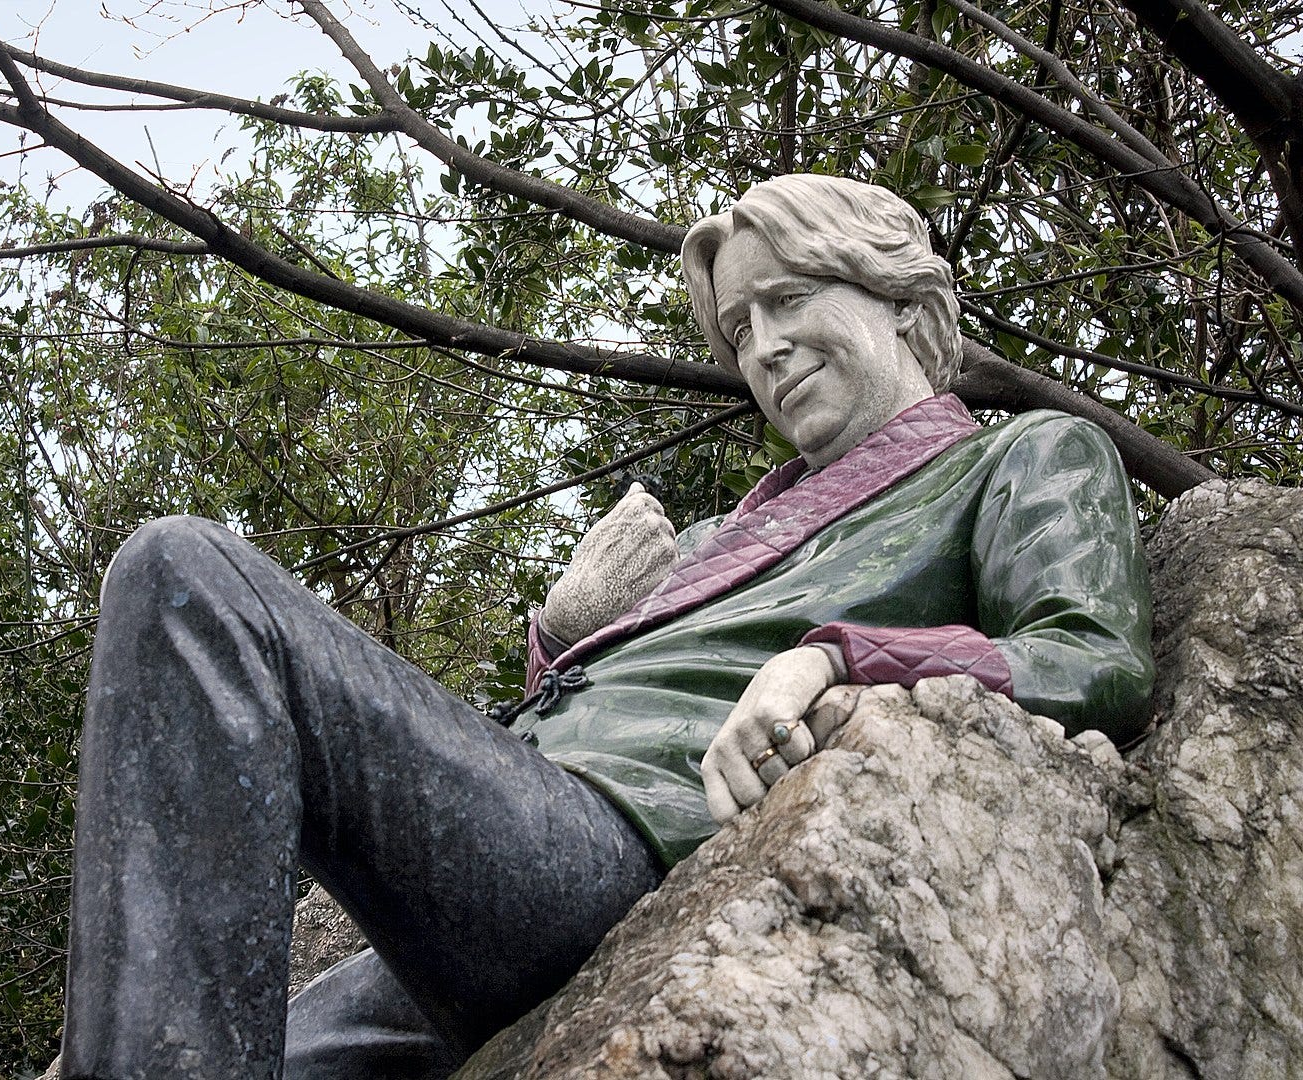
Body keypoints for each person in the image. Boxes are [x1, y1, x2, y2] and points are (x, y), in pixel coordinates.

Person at [58, 174, 1153, 1080]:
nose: (765, 349)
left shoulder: (1017, 456)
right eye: (740, 329)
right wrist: (567, 633)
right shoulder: (718, 536)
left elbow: (1091, 657)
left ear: (902, 302)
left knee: (184, 577)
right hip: (495, 896)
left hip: (627, 853)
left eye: (789, 299)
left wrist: (835, 658)